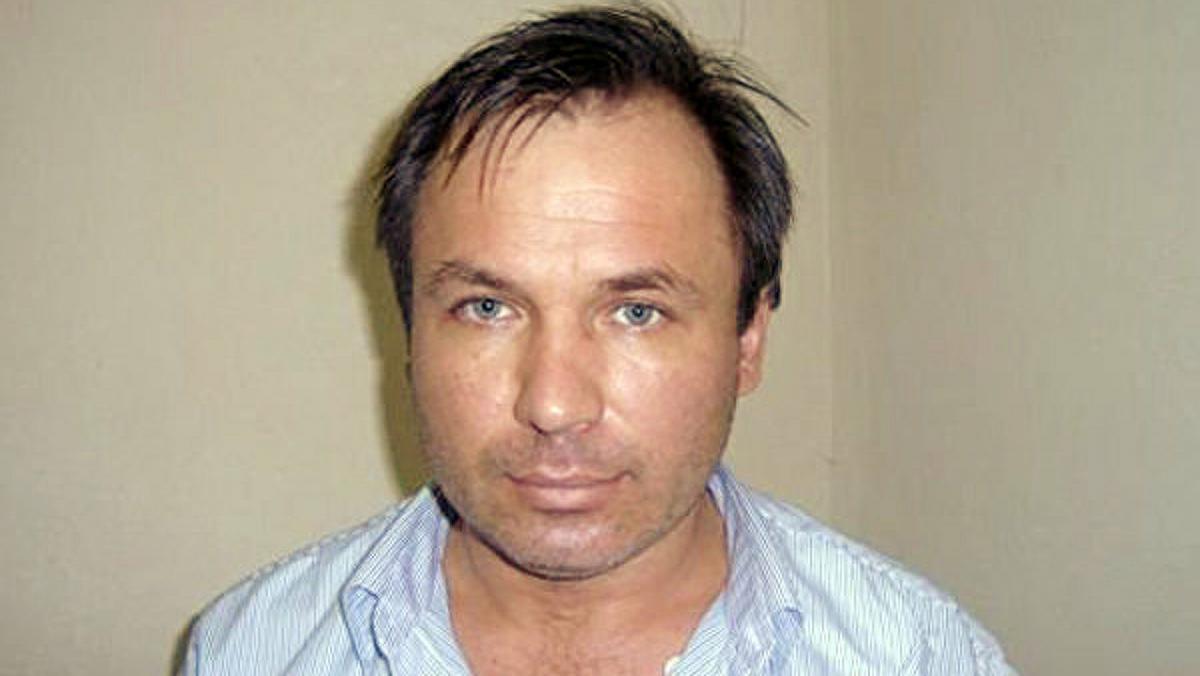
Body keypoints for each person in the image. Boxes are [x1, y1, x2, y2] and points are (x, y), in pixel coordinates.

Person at [181, 5, 1013, 674]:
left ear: (748, 339)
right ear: (409, 335)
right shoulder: (250, 650)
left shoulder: (920, 657)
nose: (554, 404)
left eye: (636, 312)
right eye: (486, 307)